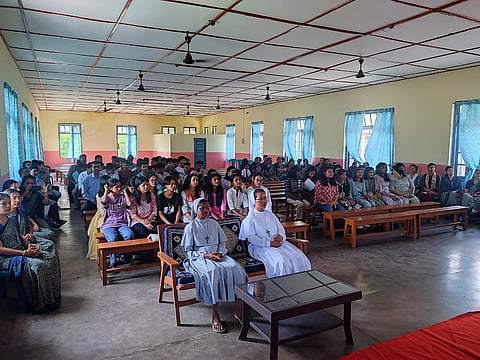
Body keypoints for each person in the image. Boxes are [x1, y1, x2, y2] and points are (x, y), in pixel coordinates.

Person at [181, 198, 247, 333]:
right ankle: (215, 314)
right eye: (202, 208)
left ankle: (239, 309)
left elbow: (223, 244)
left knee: (237, 269)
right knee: (212, 272)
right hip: (200, 258)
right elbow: (188, 251)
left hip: (218, 255)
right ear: (195, 210)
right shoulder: (190, 227)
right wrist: (206, 256)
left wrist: (220, 254)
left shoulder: (214, 224)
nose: (206, 210)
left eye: (207, 207)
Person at [0, 192, 61, 313]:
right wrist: (24, 253)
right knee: (38, 265)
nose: (8, 206)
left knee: (49, 258)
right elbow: (1, 249)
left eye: (8, 203)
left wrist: (30, 247)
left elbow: (19, 238)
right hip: (6, 258)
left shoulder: (10, 220)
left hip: (21, 249)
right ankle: (39, 303)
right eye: (4, 204)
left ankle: (52, 298)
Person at [239, 189, 311, 278]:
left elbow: (280, 230)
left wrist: (281, 237)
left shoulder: (270, 214)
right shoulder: (250, 218)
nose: (264, 201)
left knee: (299, 256)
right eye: (260, 199)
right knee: (281, 260)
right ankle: (282, 287)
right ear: (253, 201)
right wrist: (269, 243)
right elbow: (251, 238)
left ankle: (300, 283)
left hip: (278, 243)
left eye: (265, 198)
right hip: (260, 247)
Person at [100, 178, 134, 267]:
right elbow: (103, 202)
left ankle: (125, 256)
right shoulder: (107, 197)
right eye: (117, 187)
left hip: (122, 223)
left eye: (120, 187)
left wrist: (125, 192)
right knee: (112, 238)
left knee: (129, 235)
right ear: (111, 188)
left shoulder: (122, 197)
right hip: (109, 224)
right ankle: (113, 261)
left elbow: (129, 205)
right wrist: (106, 191)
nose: (119, 189)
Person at [86, 176, 110, 260]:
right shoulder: (99, 195)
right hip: (102, 215)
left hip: (112, 215)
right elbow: (102, 209)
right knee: (101, 225)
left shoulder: (114, 193)